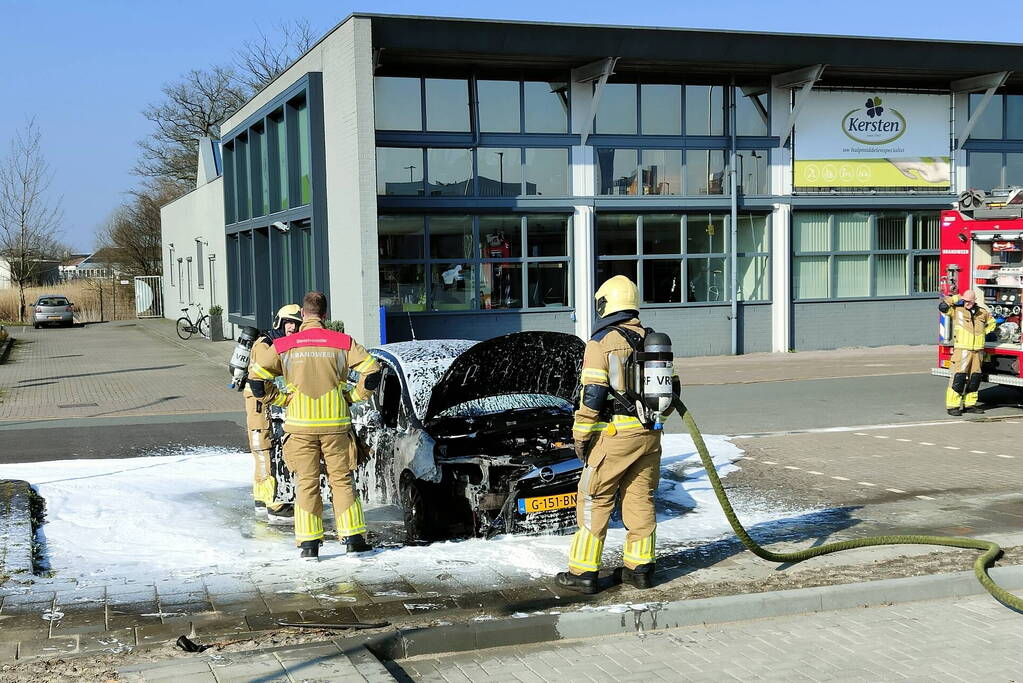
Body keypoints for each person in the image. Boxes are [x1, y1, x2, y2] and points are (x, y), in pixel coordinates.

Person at [556, 275, 670, 594]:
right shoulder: (652, 339)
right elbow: (671, 392)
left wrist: (580, 437)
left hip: (616, 436)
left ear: (605, 303)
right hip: (650, 434)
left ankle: (583, 573)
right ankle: (640, 569)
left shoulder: (602, 342)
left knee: (594, 497)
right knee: (640, 499)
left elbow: (592, 395)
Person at [248, 291, 380, 561]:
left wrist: (283, 399)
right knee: (342, 482)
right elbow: (373, 371)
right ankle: (353, 540)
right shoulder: (342, 341)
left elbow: (257, 379)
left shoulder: (286, 345)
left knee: (306, 484)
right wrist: (352, 397)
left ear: (302, 315)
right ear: (325, 315)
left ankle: (309, 546)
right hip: (336, 426)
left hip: (299, 427)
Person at [244, 304, 302, 524]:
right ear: (279, 322)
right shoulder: (265, 344)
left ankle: (262, 497)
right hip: (260, 406)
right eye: (288, 322)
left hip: (266, 404)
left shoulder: (279, 343)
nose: (292, 327)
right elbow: (261, 379)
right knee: (263, 451)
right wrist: (283, 398)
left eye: (296, 323)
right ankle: (274, 504)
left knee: (264, 452)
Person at [939, 288, 995, 416]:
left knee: (975, 378)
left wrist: (984, 333)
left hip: (978, 350)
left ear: (975, 300)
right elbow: (942, 306)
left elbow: (992, 323)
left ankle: (970, 404)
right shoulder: (957, 310)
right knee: (958, 377)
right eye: (966, 300)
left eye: (970, 301)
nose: (967, 303)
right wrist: (957, 298)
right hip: (962, 349)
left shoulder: (982, 312)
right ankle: (953, 406)